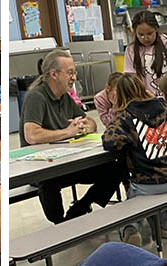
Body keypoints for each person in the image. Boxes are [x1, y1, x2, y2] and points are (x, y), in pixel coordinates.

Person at [20, 49, 122, 224]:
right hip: (43, 167)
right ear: (54, 74)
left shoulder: (64, 97)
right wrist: (68, 132)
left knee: (116, 168)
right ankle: (60, 225)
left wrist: (82, 127)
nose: (74, 77)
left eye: (74, 72)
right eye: (70, 72)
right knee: (48, 183)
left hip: (68, 161)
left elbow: (91, 123)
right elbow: (31, 135)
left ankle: (80, 209)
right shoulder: (35, 97)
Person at [103, 74, 167, 243]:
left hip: (148, 183)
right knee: (155, 196)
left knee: (134, 200)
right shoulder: (162, 105)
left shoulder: (125, 116)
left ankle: (130, 230)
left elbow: (109, 142)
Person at [124, 11, 167, 97]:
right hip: (147, 99)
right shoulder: (130, 50)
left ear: (156, 29)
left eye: (150, 33)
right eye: (141, 34)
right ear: (135, 32)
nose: (146, 38)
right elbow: (131, 79)